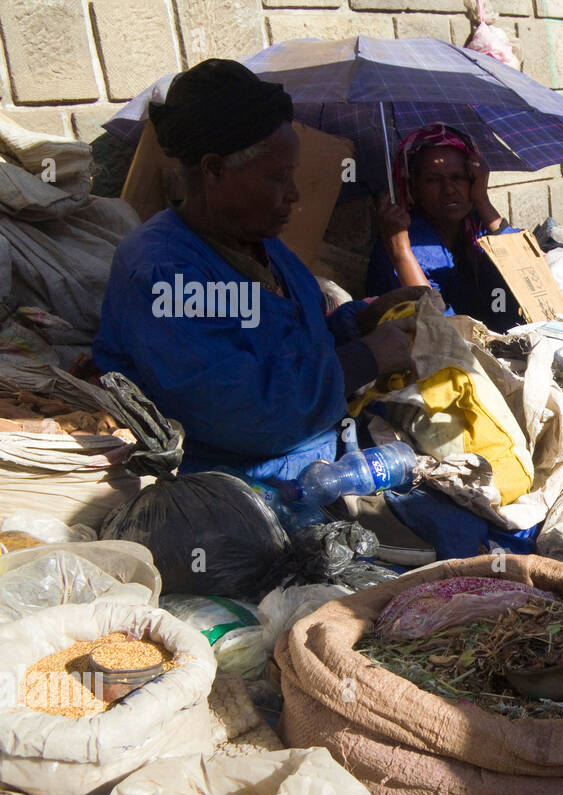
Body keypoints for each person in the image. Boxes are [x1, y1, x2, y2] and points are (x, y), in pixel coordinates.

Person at [95, 59, 425, 482]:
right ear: (214, 170)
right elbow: (246, 415)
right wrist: (364, 358)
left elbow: (290, 336)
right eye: (278, 177)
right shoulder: (164, 272)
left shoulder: (262, 244)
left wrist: (360, 320)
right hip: (238, 485)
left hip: (319, 460)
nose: (294, 195)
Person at [367, 123, 521, 334]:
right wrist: (401, 252)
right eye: (432, 180)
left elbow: (524, 272)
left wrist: (482, 199)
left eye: (458, 178)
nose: (448, 190)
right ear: (414, 188)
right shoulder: (403, 241)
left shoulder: (476, 225)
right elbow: (436, 325)